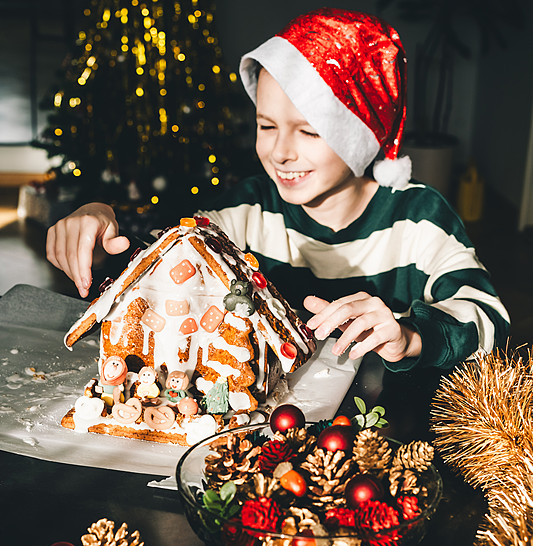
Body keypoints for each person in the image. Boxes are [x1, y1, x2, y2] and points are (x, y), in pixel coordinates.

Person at [45, 8, 509, 372]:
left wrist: (410, 336)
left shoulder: (419, 218)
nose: (281, 152)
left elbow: (489, 319)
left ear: (360, 132)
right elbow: (166, 268)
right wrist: (100, 238)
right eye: (266, 125)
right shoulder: (246, 209)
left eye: (308, 132)